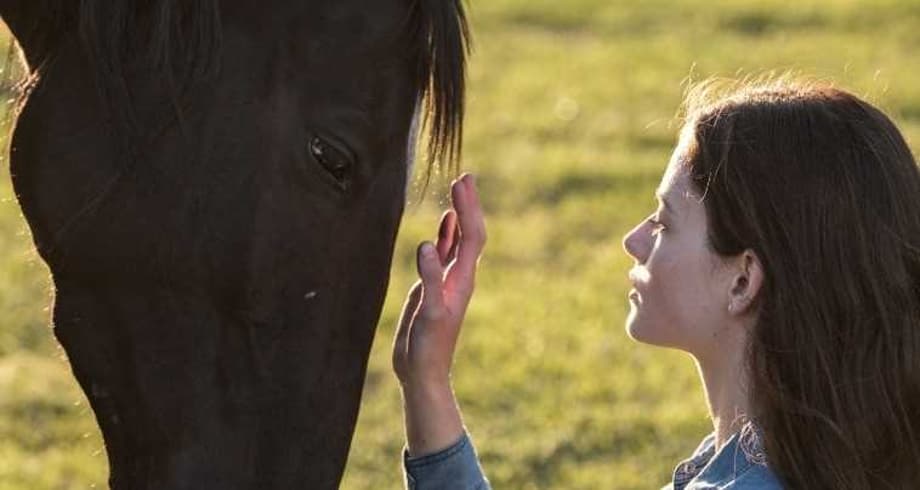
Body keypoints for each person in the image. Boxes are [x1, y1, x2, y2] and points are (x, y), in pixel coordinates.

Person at [390, 78, 920, 489]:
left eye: (664, 222)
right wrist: (427, 382)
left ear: (743, 281)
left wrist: (428, 383)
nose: (633, 239)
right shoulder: (831, 455)